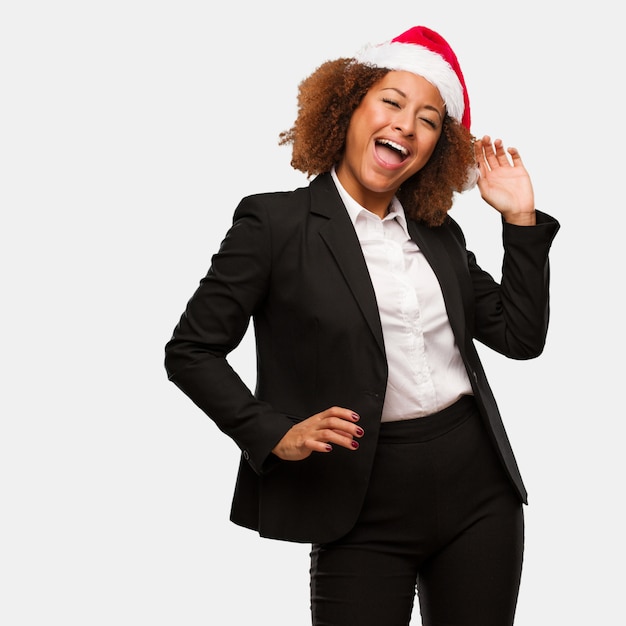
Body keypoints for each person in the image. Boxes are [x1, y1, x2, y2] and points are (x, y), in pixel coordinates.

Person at [164, 25, 559, 626]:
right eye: (392, 102)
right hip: (357, 499)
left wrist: (521, 222)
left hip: (478, 491)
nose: (407, 125)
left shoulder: (438, 234)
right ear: (348, 109)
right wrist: (272, 432)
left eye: (429, 119)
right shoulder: (274, 223)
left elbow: (521, 337)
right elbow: (191, 350)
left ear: (435, 147)